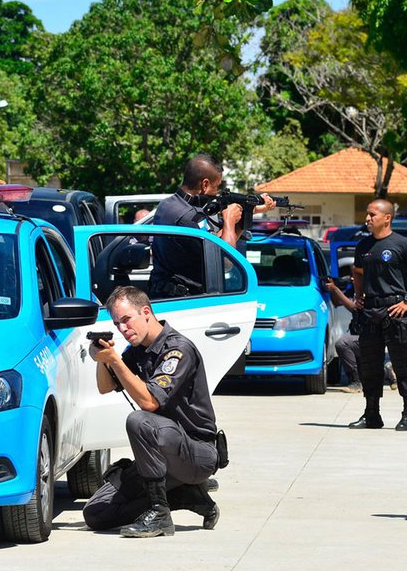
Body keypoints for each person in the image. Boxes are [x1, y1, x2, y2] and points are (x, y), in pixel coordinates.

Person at [83, 286, 220, 537]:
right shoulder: (138, 351)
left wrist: (114, 360)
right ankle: (183, 495)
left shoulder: (177, 349)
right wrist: (103, 359)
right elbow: (106, 387)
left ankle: (160, 514)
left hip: (196, 453)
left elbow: (149, 403)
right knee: (95, 514)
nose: (123, 329)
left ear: (146, 312)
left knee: (139, 420)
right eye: (117, 323)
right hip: (161, 454)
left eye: (127, 320)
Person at [349, 199, 407, 432]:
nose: (367, 219)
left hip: (395, 310)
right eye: (367, 214)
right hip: (370, 311)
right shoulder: (363, 245)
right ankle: (372, 414)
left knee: (402, 364)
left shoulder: (403, 244)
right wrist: (358, 295)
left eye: (372, 214)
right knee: (369, 365)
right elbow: (357, 271)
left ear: (387, 218)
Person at [149, 154, 274, 298]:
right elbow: (226, 262)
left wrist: (246, 214)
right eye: (217, 186)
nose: (217, 192)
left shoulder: (167, 205)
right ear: (205, 184)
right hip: (184, 299)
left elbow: (217, 242)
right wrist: (228, 221)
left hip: (164, 293)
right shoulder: (188, 218)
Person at [324, 277, 398, 393]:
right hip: (361, 337)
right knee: (367, 374)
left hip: (373, 337)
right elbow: (337, 302)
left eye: (357, 275)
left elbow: (354, 308)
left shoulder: (371, 292)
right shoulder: (355, 291)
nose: (353, 278)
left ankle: (355, 382)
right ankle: (387, 372)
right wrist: (333, 288)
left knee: (342, 344)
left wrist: (335, 289)